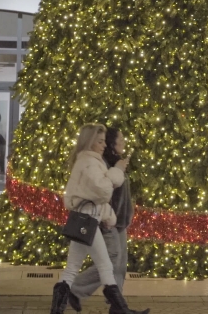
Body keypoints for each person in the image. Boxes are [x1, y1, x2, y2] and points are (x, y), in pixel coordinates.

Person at [50, 123, 147, 314]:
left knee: (73, 268)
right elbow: (103, 191)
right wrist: (117, 170)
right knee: (106, 265)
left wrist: (109, 215)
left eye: (104, 141)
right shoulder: (89, 163)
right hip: (89, 221)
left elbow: (98, 198)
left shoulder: (90, 161)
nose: (103, 145)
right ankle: (121, 309)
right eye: (100, 141)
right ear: (90, 142)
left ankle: (59, 307)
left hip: (86, 220)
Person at [72, 127, 133, 305]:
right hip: (108, 221)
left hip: (119, 220)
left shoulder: (117, 162)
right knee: (111, 262)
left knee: (120, 264)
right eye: (120, 138)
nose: (123, 141)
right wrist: (117, 170)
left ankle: (117, 306)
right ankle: (74, 288)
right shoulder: (104, 163)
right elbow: (103, 191)